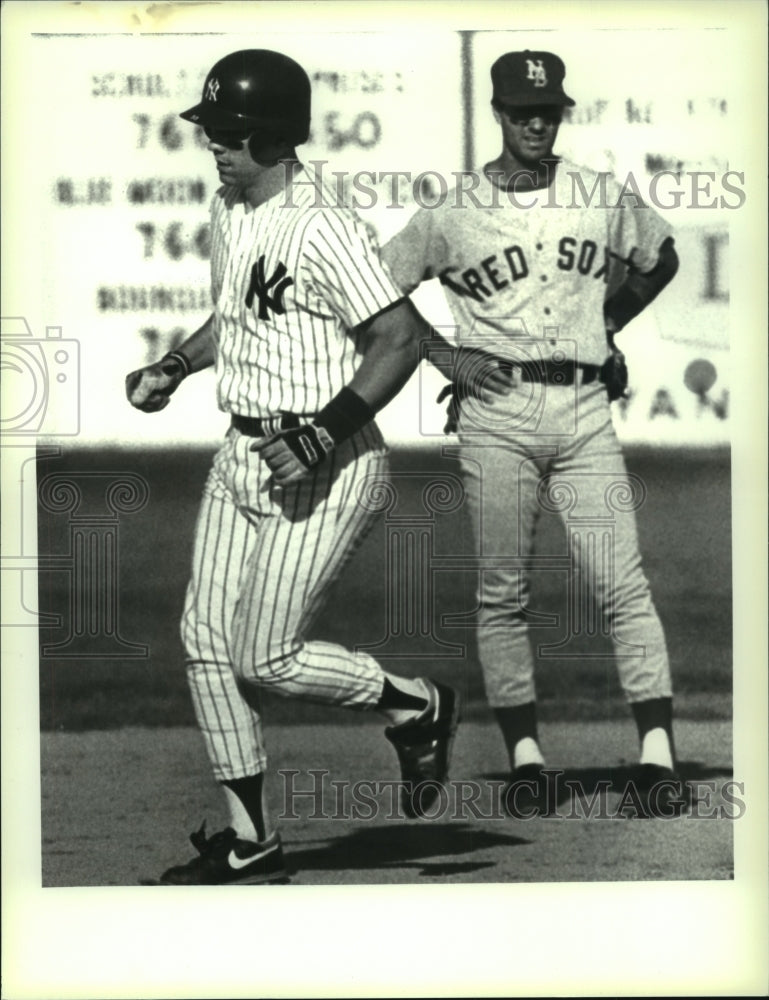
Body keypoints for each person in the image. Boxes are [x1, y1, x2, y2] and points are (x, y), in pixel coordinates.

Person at [125, 49, 463, 885]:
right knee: (205, 642)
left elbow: (401, 340)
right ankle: (251, 841)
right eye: (211, 130)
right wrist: (177, 364)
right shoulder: (231, 205)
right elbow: (237, 316)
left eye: (232, 133)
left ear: (277, 135)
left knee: (262, 657)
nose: (216, 146)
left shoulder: (321, 223)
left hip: (328, 462)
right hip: (241, 450)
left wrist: (321, 432)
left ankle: (415, 706)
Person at [382, 50, 682, 814]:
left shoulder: (597, 194)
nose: (536, 123)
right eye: (522, 111)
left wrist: (608, 320)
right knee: (502, 592)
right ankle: (524, 760)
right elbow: (375, 294)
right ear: (498, 113)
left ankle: (656, 755)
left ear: (560, 113)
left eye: (547, 111)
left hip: (585, 409)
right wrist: (445, 354)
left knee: (621, 582)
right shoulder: (452, 211)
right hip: (497, 416)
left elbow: (662, 256)